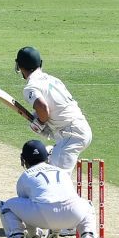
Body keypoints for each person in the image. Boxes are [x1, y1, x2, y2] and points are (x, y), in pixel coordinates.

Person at [0, 140, 99, 238]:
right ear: (46, 156)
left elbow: (27, 208)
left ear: (23, 159)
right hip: (72, 215)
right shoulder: (61, 171)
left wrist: (32, 235)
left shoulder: (26, 176)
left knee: (6, 206)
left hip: (42, 215)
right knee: (88, 206)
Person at [14, 46, 92, 174]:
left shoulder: (31, 86)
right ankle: (51, 153)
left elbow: (43, 108)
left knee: (58, 179)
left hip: (72, 135)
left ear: (20, 67)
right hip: (79, 129)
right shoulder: (53, 79)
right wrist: (43, 122)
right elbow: (56, 108)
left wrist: (40, 121)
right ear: (40, 63)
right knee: (49, 168)